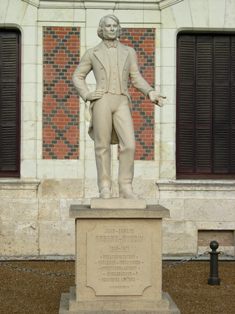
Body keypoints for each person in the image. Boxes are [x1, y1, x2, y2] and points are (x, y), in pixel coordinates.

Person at [73, 14, 164, 199]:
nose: (112, 28)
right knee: (102, 146)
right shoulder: (92, 53)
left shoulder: (129, 52)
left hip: (122, 100)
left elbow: (136, 77)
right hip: (102, 101)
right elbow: (77, 76)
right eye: (108, 26)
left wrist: (150, 92)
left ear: (118, 28)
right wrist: (88, 94)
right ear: (102, 29)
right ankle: (104, 187)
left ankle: (125, 187)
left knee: (129, 144)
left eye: (115, 25)